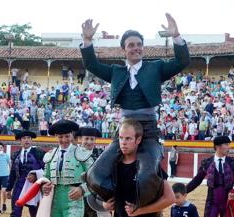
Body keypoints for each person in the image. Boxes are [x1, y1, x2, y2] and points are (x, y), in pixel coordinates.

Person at [80, 13, 189, 207]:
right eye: (131, 45)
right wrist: (87, 41)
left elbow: (182, 62)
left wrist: (176, 36)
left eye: (139, 44)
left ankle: (144, 207)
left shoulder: (155, 68)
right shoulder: (116, 72)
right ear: (124, 50)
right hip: (124, 130)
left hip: (148, 130)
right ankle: (116, 202)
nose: (136, 48)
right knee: (95, 175)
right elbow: (91, 64)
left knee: (147, 175)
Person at [5, 130, 45, 217]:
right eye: (24, 138)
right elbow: (12, 172)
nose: (26, 140)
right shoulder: (16, 154)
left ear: (31, 140)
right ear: (20, 140)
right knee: (15, 212)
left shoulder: (39, 153)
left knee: (34, 212)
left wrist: (36, 174)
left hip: (33, 187)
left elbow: (46, 170)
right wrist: (8, 188)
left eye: (28, 138)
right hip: (18, 186)